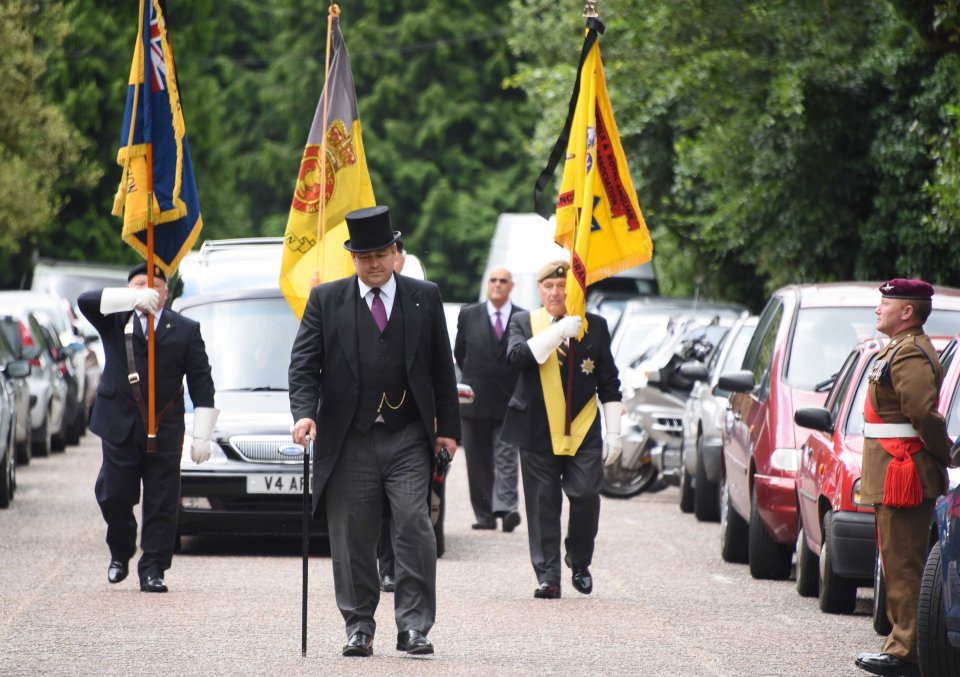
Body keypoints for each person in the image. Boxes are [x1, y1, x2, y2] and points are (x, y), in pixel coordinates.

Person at [288, 205, 460, 657]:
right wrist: (305, 414)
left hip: (408, 438)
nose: (375, 262)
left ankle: (415, 627)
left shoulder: (425, 297)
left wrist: (449, 430)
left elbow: (443, 368)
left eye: (382, 252)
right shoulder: (326, 300)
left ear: (395, 253)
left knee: (413, 527)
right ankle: (359, 625)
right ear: (353, 259)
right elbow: (304, 367)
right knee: (352, 535)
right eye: (365, 255)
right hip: (349, 439)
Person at [77, 263, 217, 593]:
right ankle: (121, 550)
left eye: (154, 286)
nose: (147, 290)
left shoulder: (185, 329)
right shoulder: (115, 320)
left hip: (165, 426)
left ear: (166, 292)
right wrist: (132, 297)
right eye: (139, 284)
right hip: (119, 425)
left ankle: (153, 567)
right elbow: (85, 300)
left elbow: (202, 382)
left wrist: (203, 434)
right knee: (113, 494)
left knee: (162, 501)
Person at [501, 260, 623, 599]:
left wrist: (614, 433)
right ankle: (548, 576)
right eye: (549, 287)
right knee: (542, 504)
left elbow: (610, 384)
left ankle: (579, 559)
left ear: (574, 290)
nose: (556, 292)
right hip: (536, 429)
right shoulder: (524, 322)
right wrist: (557, 333)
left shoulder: (594, 327)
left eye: (562, 286)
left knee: (585, 494)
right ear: (540, 290)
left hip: (582, 429)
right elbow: (516, 358)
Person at [855, 278, 953, 677]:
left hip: (904, 470)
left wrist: (944, 453)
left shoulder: (910, 354)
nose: (878, 309)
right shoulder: (897, 349)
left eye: (886, 303)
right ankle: (900, 642)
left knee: (905, 563)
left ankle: (906, 651)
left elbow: (922, 415)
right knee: (894, 562)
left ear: (907, 312)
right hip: (891, 470)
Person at [454, 266, 524, 531]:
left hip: (509, 399)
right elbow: (460, 353)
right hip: (475, 400)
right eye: (493, 280)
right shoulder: (469, 314)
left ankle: (506, 509)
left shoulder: (522, 317)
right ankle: (484, 515)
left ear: (511, 286)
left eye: (503, 281)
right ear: (487, 284)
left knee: (507, 456)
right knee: (477, 461)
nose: (497, 284)